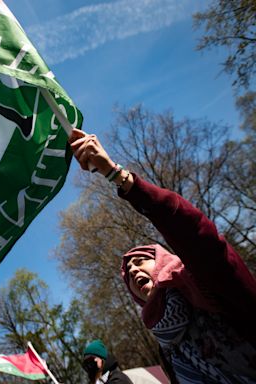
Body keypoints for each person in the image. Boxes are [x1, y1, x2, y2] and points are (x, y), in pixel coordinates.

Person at [69, 129, 256, 383]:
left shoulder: (209, 286)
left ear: (165, 262)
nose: (133, 271)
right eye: (128, 274)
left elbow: (195, 234)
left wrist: (117, 175)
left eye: (141, 261)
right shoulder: (168, 350)